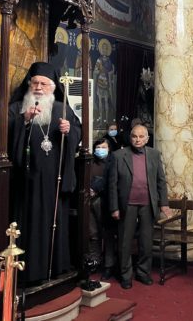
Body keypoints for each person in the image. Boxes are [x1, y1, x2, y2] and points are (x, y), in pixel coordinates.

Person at [8, 61, 82, 284]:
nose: (39, 87)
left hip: (53, 182)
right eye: (35, 83)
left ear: (53, 87)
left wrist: (69, 131)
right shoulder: (17, 108)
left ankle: (55, 268)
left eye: (44, 84)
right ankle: (29, 273)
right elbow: (0, 132)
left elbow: (78, 132)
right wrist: (24, 120)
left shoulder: (62, 108)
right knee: (29, 226)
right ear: (29, 84)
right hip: (27, 183)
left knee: (54, 224)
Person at [108, 124, 170, 289]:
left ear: (147, 139)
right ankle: (125, 275)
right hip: (126, 204)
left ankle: (143, 273)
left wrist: (164, 204)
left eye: (141, 136)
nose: (138, 139)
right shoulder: (118, 156)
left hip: (148, 205)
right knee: (125, 242)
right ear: (130, 138)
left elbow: (161, 181)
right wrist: (114, 207)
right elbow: (112, 185)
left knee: (146, 242)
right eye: (135, 136)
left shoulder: (154, 155)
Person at [88, 138, 117, 280]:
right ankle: (95, 260)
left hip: (106, 202)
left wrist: (97, 188)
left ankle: (108, 265)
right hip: (90, 202)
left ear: (109, 149)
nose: (100, 149)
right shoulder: (91, 162)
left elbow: (113, 181)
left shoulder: (113, 162)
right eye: (98, 147)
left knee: (108, 234)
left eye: (103, 147)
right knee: (92, 234)